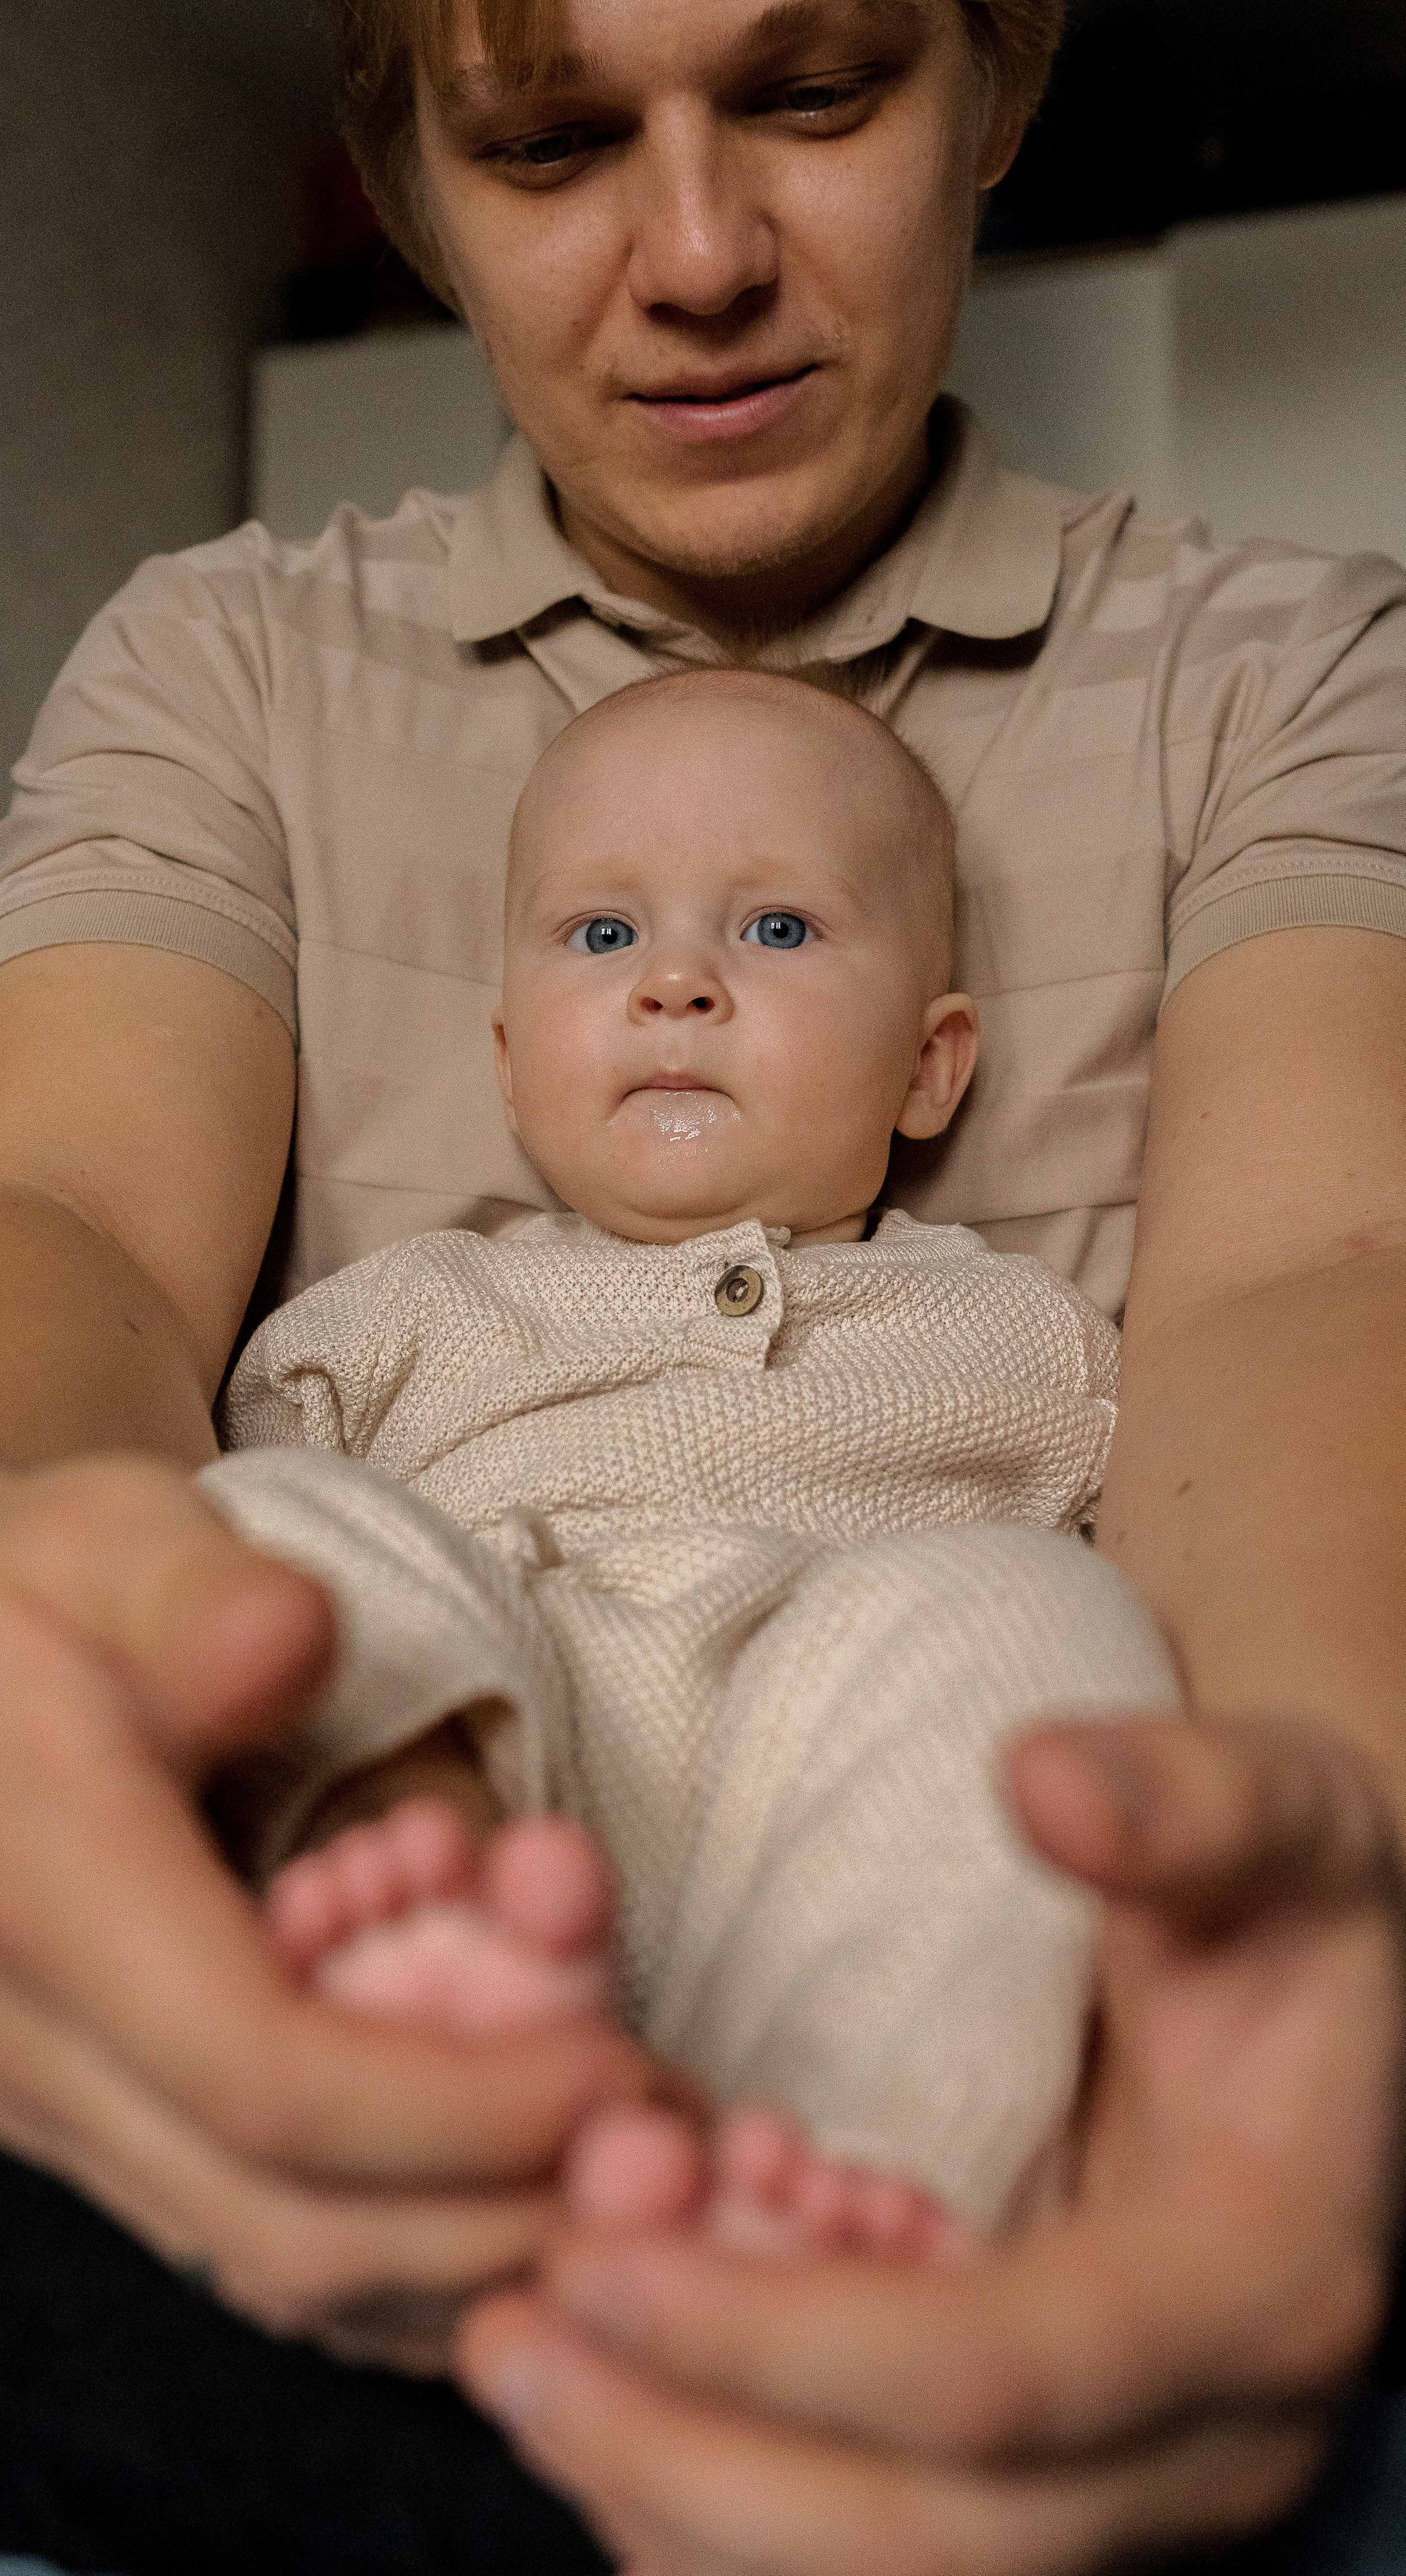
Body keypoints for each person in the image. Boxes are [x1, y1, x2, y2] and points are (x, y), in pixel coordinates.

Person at [0, 0, 1405, 2562]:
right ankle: (414, 1971)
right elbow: (50, 1236)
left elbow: (1307, 1297)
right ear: (403, 185)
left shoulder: (1290, 672)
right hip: (465, 1806)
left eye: (816, 91)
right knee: (280, 1541)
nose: (700, 250)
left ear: (1006, 73)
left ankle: (850, 2225)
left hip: (884, 1848)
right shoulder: (233, 662)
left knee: (1021, 1639)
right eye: (547, 145)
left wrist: (1319, 1846)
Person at [206, 666, 1180, 2254]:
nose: (675, 984)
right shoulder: (395, 1316)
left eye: (776, 930)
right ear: (515, 1063)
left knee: (1033, 1618)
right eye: (605, 935)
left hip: (825, 1857)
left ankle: (848, 2174)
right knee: (272, 1523)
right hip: (506, 1760)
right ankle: (420, 1921)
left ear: (931, 1066)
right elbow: (234, 1575)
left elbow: (1163, 1569)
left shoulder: (1027, 1339)